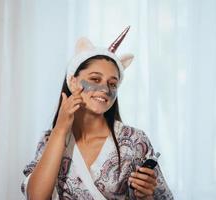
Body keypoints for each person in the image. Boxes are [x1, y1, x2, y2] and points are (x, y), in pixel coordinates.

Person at [21, 26, 173, 200]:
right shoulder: (50, 140)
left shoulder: (134, 141)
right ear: (72, 81)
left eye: (112, 83)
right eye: (95, 79)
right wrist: (61, 130)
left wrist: (146, 196)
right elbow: (36, 197)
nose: (104, 89)